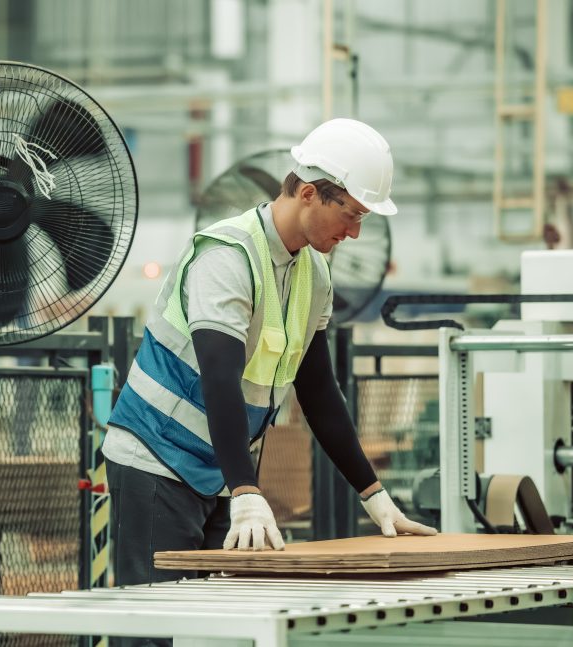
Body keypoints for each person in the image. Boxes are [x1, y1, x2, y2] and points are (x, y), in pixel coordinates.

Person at [103, 118, 437, 634]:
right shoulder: (226, 256)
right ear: (308, 193)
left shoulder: (313, 272)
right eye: (350, 215)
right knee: (156, 628)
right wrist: (246, 491)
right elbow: (219, 377)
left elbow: (320, 391)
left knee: (220, 630)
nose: (355, 233)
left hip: (221, 472)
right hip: (156, 458)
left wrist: (374, 494)